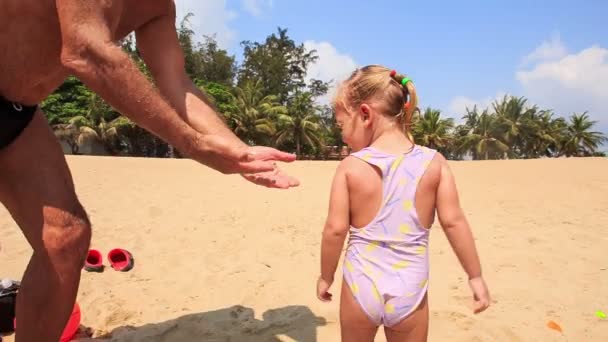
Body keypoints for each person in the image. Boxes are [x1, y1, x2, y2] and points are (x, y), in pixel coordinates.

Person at [0, 1, 299, 341]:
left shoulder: (159, 7)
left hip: (17, 112)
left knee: (65, 239)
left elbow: (178, 84)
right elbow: (86, 50)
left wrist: (239, 152)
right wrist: (193, 144)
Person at [316, 65, 490, 341]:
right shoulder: (434, 163)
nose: (342, 136)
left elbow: (335, 229)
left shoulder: (350, 167)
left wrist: (326, 275)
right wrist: (475, 275)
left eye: (341, 125)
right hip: (410, 288)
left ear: (364, 115)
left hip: (361, 287)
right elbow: (454, 222)